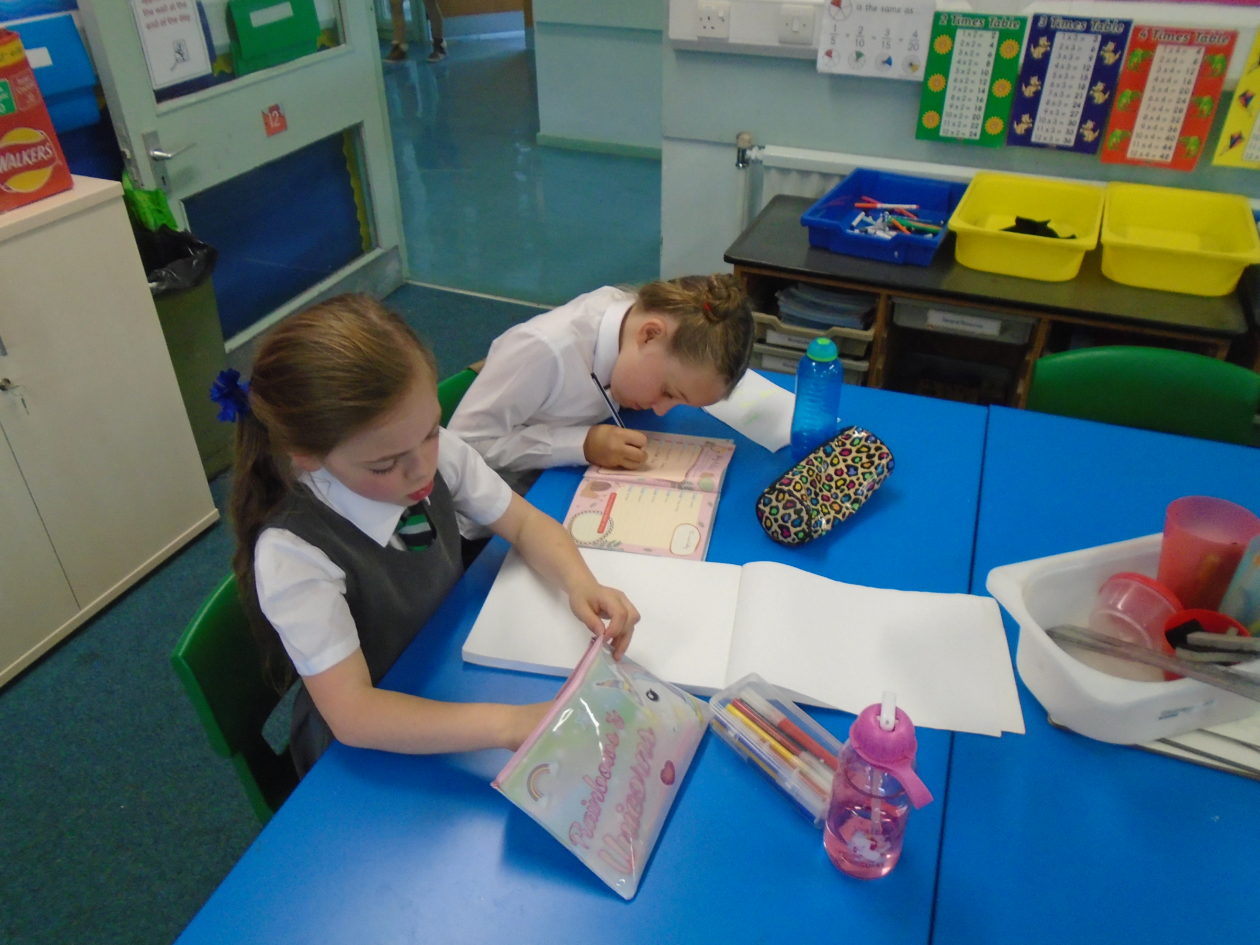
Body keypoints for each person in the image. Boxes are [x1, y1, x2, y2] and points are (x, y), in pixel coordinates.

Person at [218, 294, 638, 777]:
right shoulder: (293, 554)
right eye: (384, 465)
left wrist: (581, 583)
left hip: (444, 661)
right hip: (376, 737)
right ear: (308, 457)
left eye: (432, 431)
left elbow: (524, 523)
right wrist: (510, 724)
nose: (422, 469)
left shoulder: (421, 448)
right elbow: (354, 715)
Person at [448, 273, 755, 489]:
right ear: (649, 335)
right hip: (485, 516)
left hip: (552, 483)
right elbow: (461, 446)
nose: (661, 409)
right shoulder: (544, 350)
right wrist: (581, 444)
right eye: (667, 392)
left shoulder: (631, 324)